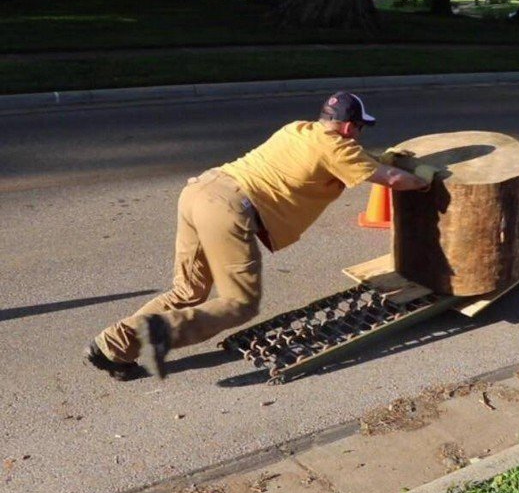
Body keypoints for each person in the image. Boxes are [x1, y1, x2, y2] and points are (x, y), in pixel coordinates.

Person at [84, 92, 429, 381]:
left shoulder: (298, 129)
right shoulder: (340, 148)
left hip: (200, 191)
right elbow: (394, 180)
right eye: (360, 129)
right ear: (350, 126)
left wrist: (379, 160)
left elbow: (355, 161)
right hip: (227, 209)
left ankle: (112, 347)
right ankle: (153, 334)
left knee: (188, 290)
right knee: (238, 304)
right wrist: (427, 178)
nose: (359, 136)